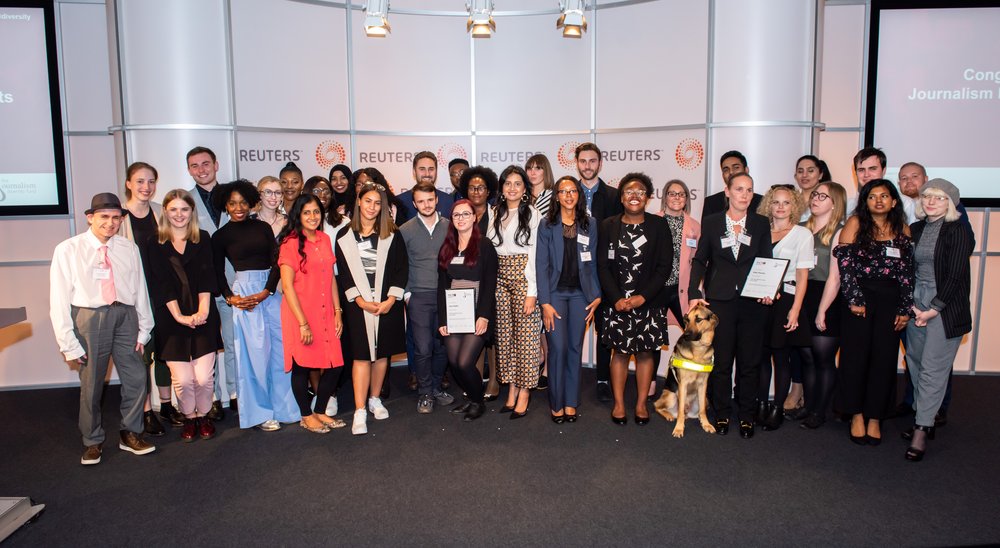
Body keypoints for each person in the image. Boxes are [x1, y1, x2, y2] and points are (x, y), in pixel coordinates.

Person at [50, 192, 156, 465]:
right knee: (92, 382)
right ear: (90, 218)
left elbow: (139, 287)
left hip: (126, 315)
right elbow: (58, 298)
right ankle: (92, 441)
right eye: (104, 217)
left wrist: (145, 327)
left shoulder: (127, 248)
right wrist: (68, 342)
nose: (110, 223)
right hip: (90, 317)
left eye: (116, 218)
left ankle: (131, 433)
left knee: (136, 377)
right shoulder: (68, 249)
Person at [688, 172, 774, 439]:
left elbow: (766, 259)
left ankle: (746, 416)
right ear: (727, 191)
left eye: (749, 190)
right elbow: (700, 259)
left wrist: (770, 289)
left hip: (752, 302)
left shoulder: (760, 223)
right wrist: (694, 291)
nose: (745, 195)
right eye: (739, 189)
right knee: (722, 362)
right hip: (721, 301)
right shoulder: (713, 223)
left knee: (749, 362)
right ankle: (722, 413)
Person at [212, 180, 299, 431]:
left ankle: (285, 406)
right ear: (225, 206)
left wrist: (268, 290)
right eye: (232, 203)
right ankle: (261, 413)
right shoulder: (220, 236)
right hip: (245, 295)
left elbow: (276, 260)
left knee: (281, 351)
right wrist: (231, 298)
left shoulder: (261, 227)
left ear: (251, 202)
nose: (238, 208)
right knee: (255, 356)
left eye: (242, 202)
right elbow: (217, 273)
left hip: (270, 291)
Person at [834, 179, 913, 446]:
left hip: (891, 301)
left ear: (893, 201)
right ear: (865, 201)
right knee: (855, 357)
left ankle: (875, 417)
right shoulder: (855, 224)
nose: (878, 200)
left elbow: (906, 273)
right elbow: (845, 267)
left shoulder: (903, 228)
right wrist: (854, 298)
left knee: (884, 358)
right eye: (872, 196)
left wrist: (904, 308)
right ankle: (855, 413)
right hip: (860, 299)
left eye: (884, 196)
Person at [902, 179, 973, 461]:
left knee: (933, 368)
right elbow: (906, 269)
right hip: (916, 302)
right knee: (916, 364)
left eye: (939, 198)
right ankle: (924, 417)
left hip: (944, 306)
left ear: (951, 203)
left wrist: (934, 308)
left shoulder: (958, 231)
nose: (931, 202)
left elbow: (956, 276)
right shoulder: (917, 228)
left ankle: (921, 429)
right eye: (928, 196)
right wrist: (911, 303)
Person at [147, 189, 223, 442]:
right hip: (171, 318)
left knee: (203, 378)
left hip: (204, 314)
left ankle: (203, 415)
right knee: (182, 380)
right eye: (174, 209)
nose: (179, 214)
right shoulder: (153, 243)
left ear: (192, 212)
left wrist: (203, 310)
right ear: (165, 212)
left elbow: (207, 277)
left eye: (184, 209)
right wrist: (179, 316)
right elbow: (160, 284)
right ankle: (189, 417)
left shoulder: (203, 238)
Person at [597, 173, 672, 426]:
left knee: (644, 354)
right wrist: (616, 298)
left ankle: (640, 403)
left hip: (648, 303)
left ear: (648, 198)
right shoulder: (608, 225)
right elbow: (602, 267)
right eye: (629, 191)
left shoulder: (659, 226)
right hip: (616, 303)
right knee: (618, 353)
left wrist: (642, 297)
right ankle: (619, 404)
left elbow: (664, 267)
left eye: (640, 192)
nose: (634, 196)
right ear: (621, 197)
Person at [335, 182, 408, 435]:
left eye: (377, 203)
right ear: (358, 201)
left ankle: (375, 399)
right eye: (368, 201)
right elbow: (343, 276)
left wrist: (390, 300)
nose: (372, 207)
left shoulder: (392, 233)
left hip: (387, 303)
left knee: (382, 353)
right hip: (358, 305)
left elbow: (401, 269)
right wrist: (360, 301)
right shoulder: (344, 237)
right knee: (362, 356)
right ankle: (359, 410)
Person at [278, 194, 347, 434]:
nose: (312, 217)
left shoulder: (325, 239)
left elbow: (330, 280)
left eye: (316, 212)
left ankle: (319, 411)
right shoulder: (290, 243)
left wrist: (338, 312)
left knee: (335, 364)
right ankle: (306, 416)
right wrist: (303, 323)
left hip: (326, 312)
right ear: (298, 215)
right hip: (300, 315)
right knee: (302, 367)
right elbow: (287, 287)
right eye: (306, 212)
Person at [537, 176, 601, 423]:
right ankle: (557, 402)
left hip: (580, 295)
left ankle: (571, 402)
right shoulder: (547, 224)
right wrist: (545, 302)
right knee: (558, 348)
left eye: (572, 190)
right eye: (563, 191)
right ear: (557, 196)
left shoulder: (590, 224)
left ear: (578, 195)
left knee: (575, 348)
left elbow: (593, 263)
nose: (568, 195)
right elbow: (541, 266)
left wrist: (596, 295)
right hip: (554, 295)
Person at [119, 162, 172, 436]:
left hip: (161, 294)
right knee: (140, 358)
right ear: (128, 183)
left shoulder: (160, 213)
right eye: (140, 181)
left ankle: (166, 404)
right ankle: (146, 411)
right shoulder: (118, 218)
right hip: (133, 299)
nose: (146, 187)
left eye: (151, 182)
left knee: (163, 351)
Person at [755, 185, 814, 431]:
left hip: (786, 300)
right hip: (759, 299)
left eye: (786, 202)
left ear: (794, 206)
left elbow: (802, 277)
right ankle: (760, 404)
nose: (780, 207)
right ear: (768, 205)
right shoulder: (759, 231)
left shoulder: (802, 234)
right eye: (776, 202)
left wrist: (796, 309)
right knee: (759, 356)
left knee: (781, 356)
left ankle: (778, 406)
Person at [186, 146, 236, 420]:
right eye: (195, 166)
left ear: (216, 165)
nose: (201, 169)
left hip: (232, 283)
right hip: (201, 286)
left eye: (206, 163)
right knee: (206, 349)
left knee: (231, 343)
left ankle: (235, 394)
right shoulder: (186, 201)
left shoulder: (234, 197)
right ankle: (212, 398)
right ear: (189, 170)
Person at [488, 165, 542, 418]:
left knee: (527, 340)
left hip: (523, 277)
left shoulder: (532, 213)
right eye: (507, 183)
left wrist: (532, 291)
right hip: (499, 278)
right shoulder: (494, 212)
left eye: (517, 183)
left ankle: (525, 392)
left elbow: (534, 254)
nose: (512, 188)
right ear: (501, 187)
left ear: (524, 189)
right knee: (505, 339)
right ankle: (511, 388)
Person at [437, 199, 498, 421]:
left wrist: (483, 316)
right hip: (454, 311)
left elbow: (490, 283)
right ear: (452, 220)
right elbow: (442, 286)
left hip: (477, 309)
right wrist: (442, 320)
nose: (461, 218)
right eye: (456, 215)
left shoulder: (485, 245)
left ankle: (477, 401)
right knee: (453, 361)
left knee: (464, 362)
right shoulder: (447, 247)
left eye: (465, 214)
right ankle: (472, 398)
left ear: (474, 217)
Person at [574, 142, 622, 403]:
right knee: (571, 331)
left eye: (593, 161)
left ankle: (602, 379)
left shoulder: (614, 197)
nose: (588, 166)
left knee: (604, 332)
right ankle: (570, 377)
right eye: (583, 161)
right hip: (572, 274)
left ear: (600, 164)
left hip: (602, 273)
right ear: (577, 163)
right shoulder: (568, 194)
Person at [399, 182, 453, 413]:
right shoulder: (405, 230)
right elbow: (400, 266)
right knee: (422, 347)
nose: (426, 205)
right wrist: (408, 294)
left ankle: (436, 387)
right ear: (414, 204)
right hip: (418, 296)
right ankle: (425, 393)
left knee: (442, 347)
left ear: (436, 199)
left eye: (430, 200)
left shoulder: (450, 227)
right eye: (421, 201)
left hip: (445, 296)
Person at [802, 182, 848, 429]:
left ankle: (820, 411)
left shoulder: (841, 232)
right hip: (803, 294)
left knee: (823, 358)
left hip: (827, 296)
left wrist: (822, 309)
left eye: (823, 196)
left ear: (835, 203)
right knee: (806, 356)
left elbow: (835, 276)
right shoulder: (801, 228)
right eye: (815, 194)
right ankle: (808, 407)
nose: (816, 199)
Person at [654, 179, 701, 402]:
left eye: (681, 194)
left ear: (686, 198)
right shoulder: (653, 221)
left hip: (683, 291)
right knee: (652, 339)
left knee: (692, 340)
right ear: (665, 197)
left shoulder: (695, 226)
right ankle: (651, 383)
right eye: (672, 194)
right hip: (658, 290)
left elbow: (701, 262)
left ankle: (688, 385)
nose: (676, 198)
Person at [458, 166, 501, 399]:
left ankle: (493, 380)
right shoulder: (460, 215)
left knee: (491, 334)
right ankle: (474, 381)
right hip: (467, 286)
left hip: (493, 281)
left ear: (489, 191)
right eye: (472, 187)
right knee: (471, 331)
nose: (476, 191)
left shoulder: (498, 215)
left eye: (481, 187)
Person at [396, 151, 455, 223]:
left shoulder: (449, 201)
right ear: (414, 172)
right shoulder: (400, 202)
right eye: (422, 169)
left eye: (431, 169)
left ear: (436, 171)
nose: (427, 173)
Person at [701, 151, 763, 218]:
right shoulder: (711, 202)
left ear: (746, 170)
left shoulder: (762, 202)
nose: (731, 172)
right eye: (726, 170)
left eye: (736, 167)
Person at [794, 155, 832, 221]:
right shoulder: (790, 199)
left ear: (820, 175)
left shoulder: (828, 200)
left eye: (810, 171)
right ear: (795, 176)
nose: (804, 175)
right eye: (800, 171)